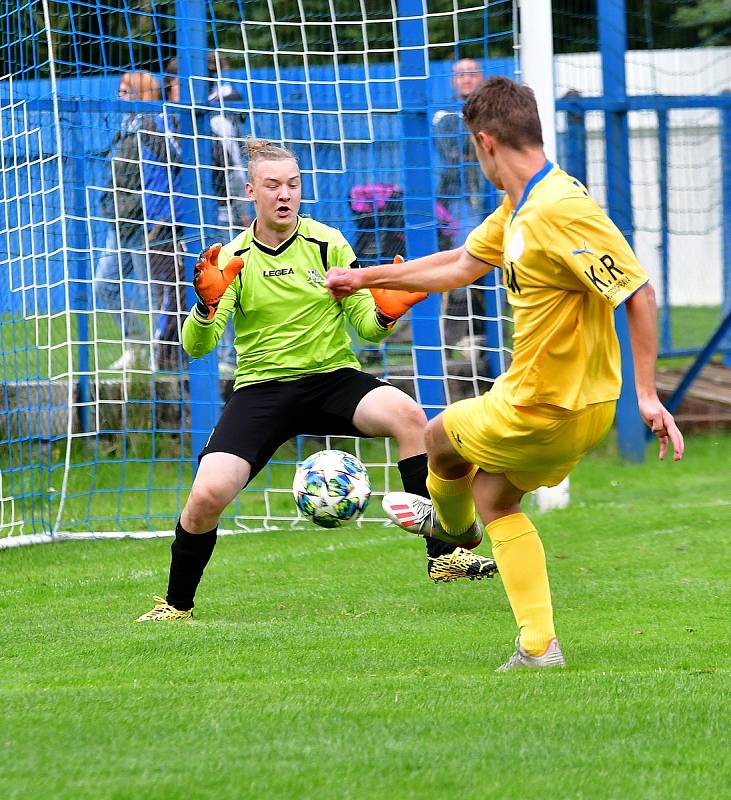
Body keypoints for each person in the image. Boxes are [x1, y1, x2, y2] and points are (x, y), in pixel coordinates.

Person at [326, 76, 685, 670]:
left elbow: (638, 292)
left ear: (486, 142)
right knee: (494, 494)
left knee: (435, 435)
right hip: (576, 409)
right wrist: (366, 278)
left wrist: (647, 395)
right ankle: (539, 647)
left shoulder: (560, 208)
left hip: (542, 405)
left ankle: (449, 531)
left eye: (472, 146)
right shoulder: (519, 206)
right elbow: (464, 262)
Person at [136, 139, 498, 622]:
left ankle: (445, 556)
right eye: (272, 185)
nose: (284, 194)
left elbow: (366, 326)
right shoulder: (231, 260)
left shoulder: (328, 243)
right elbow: (196, 347)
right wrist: (205, 306)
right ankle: (176, 604)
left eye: (293, 184)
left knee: (410, 416)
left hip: (332, 380)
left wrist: (387, 313)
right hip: (262, 391)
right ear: (251, 192)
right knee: (206, 496)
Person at [165, 54, 251, 373]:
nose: (170, 89)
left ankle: (230, 357)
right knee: (207, 287)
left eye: (174, 83)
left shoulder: (215, 120)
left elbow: (232, 168)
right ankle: (217, 355)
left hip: (220, 214)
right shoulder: (185, 119)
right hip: (199, 215)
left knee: (223, 286)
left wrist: (243, 210)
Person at [95, 71, 185, 371]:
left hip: (146, 223)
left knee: (156, 294)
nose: (120, 97)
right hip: (120, 223)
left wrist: (160, 218)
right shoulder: (126, 125)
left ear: (142, 94)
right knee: (104, 285)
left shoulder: (155, 124)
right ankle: (135, 346)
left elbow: (172, 170)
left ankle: (168, 354)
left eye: (125, 91)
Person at [433, 58, 487, 352]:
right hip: (457, 204)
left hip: (486, 201)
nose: (466, 80)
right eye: (460, 75)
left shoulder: (492, 114)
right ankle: (458, 332)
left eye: (471, 74)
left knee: (485, 266)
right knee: (462, 260)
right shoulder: (445, 118)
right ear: (453, 81)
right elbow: (457, 156)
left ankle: (483, 330)